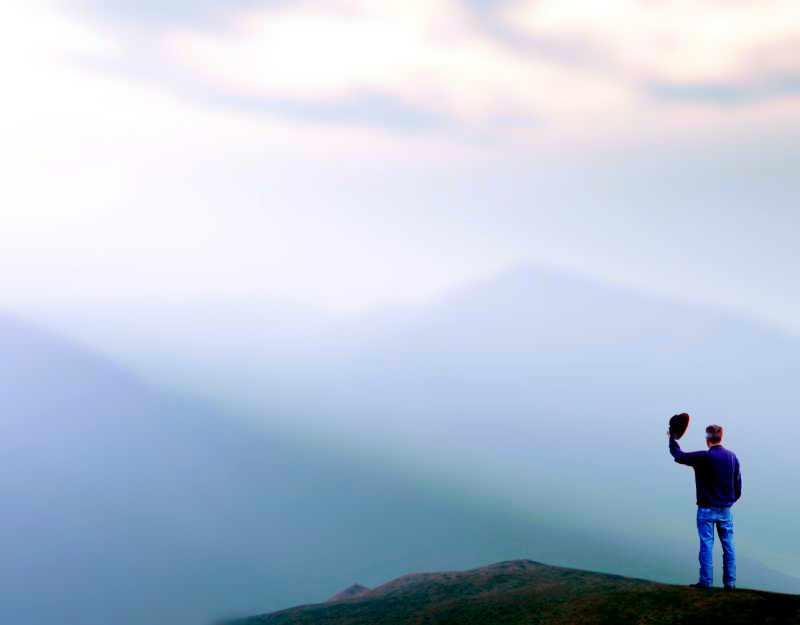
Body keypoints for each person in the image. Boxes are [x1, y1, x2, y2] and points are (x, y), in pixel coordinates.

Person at [668, 424, 742, 589]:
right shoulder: (732, 457)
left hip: (705, 509)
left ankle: (705, 582)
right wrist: (728, 502)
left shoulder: (703, 457)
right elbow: (738, 487)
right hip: (725, 509)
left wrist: (672, 438)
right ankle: (729, 584)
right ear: (720, 437)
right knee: (728, 546)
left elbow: (678, 455)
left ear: (707, 439)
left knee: (706, 546)